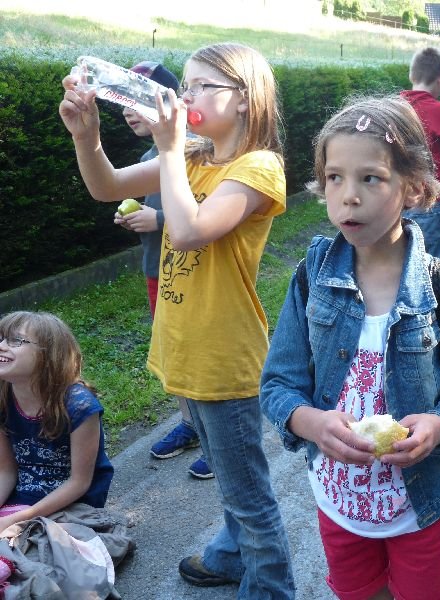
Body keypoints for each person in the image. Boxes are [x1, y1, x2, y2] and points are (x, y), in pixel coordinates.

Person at [59, 42, 295, 598]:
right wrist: (86, 136)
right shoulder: (190, 155)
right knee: (229, 479)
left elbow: (188, 231)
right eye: (184, 85)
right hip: (186, 345)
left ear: (245, 98)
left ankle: (271, 586)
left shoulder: (257, 168)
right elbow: (106, 187)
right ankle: (233, 555)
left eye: (201, 86)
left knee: (247, 492)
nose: (185, 96)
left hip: (225, 355)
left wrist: (169, 147)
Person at [260, 95, 440, 600]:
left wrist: (438, 425)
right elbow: (278, 384)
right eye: (334, 178)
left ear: (413, 188)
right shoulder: (312, 278)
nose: (349, 197)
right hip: (339, 503)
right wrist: (309, 422)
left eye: (371, 178)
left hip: (420, 507)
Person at [116, 61, 212, 480]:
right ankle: (191, 425)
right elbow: (116, 189)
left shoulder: (197, 151)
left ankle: (216, 437)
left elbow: (209, 215)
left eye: (135, 100)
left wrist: (156, 219)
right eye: (122, 102)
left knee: (199, 351)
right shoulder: (147, 158)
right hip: (157, 270)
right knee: (174, 352)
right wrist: (134, 216)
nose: (126, 111)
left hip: (193, 272)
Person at [0, 311, 114, 534]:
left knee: (24, 549)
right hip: (22, 495)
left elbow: (79, 482)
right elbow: (6, 470)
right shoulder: (3, 399)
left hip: (73, 505)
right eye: (0, 338)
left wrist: (17, 520)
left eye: (15, 340)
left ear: (48, 355)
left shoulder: (79, 405)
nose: (2, 346)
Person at [400, 47, 440, 267]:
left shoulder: (395, 108)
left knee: (404, 267)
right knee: (439, 271)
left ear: (411, 75)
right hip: (435, 202)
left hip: (398, 202)